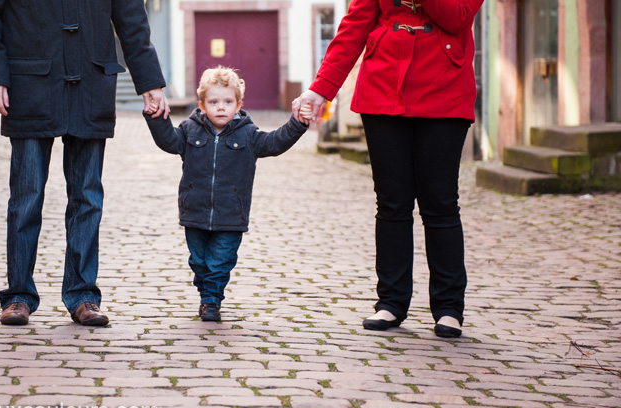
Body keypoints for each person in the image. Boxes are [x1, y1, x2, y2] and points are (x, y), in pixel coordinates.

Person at [0, 0, 170, 326]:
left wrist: (150, 82)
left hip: (91, 85)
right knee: (26, 196)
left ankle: (83, 296)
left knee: (87, 197)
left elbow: (132, 21)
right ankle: (18, 296)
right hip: (29, 86)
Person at [292, 0, 483, 338]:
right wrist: (321, 88)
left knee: (439, 202)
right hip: (382, 88)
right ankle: (391, 302)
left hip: (444, 89)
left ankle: (449, 308)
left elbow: (457, 17)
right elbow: (354, 27)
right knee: (392, 202)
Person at [145, 66, 309, 321]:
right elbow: (169, 141)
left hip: (231, 214)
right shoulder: (190, 130)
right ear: (201, 105)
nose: (221, 107)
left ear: (238, 104)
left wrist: (297, 124)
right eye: (213, 102)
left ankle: (211, 301)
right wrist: (157, 118)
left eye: (227, 101)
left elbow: (275, 143)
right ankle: (206, 292)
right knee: (199, 262)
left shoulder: (248, 133)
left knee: (220, 261)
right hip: (195, 211)